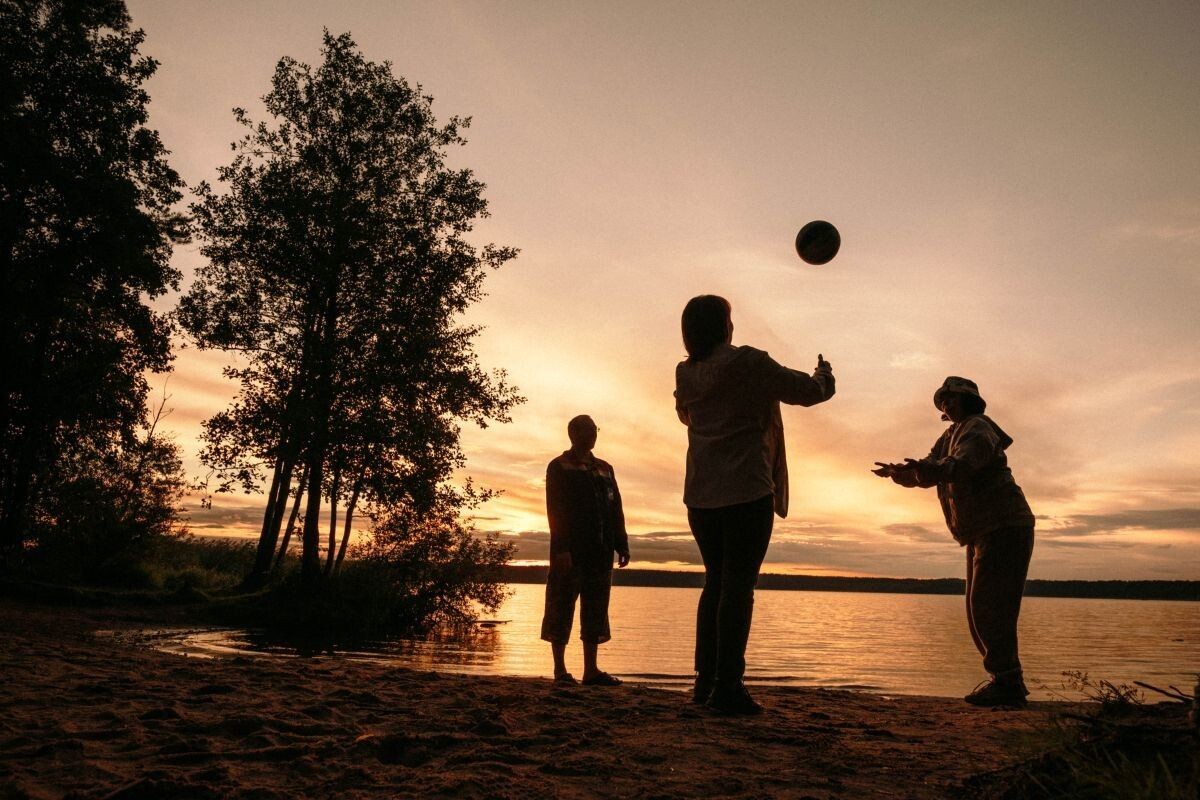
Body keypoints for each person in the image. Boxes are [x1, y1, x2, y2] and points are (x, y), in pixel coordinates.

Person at [674, 295, 835, 715]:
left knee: (716, 583)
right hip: (746, 490)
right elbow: (808, 392)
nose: (733, 325)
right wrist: (824, 375)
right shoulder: (748, 361)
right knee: (738, 587)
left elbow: (685, 416)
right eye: (730, 318)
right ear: (724, 326)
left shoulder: (685, 372)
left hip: (702, 495)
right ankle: (727, 688)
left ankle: (704, 681)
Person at [872, 376, 1035, 707]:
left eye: (952, 398)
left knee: (989, 607)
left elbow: (960, 466)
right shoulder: (948, 436)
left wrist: (925, 470)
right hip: (982, 530)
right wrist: (898, 473)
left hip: (1004, 525)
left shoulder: (978, 427)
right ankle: (1005, 680)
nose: (946, 404)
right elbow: (928, 471)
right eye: (942, 400)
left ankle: (1008, 683)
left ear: (969, 400)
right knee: (979, 609)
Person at [540, 415, 631, 686]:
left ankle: (591, 670)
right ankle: (560, 670)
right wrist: (562, 549)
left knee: (596, 609)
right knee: (561, 606)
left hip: (601, 552)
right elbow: (555, 510)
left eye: (594, 430)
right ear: (573, 432)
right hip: (570, 552)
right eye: (587, 430)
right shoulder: (559, 466)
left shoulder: (605, 468)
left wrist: (621, 543)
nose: (592, 434)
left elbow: (616, 508)